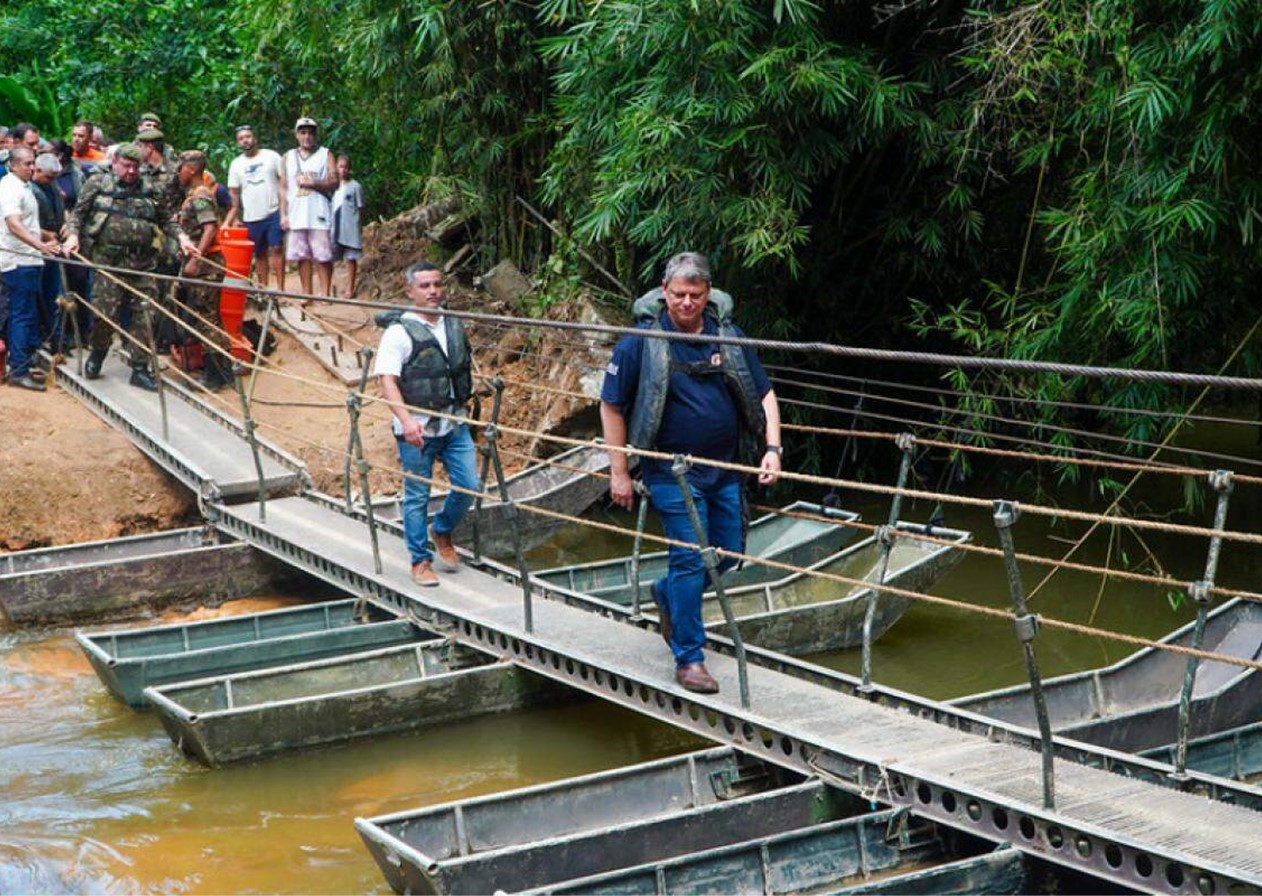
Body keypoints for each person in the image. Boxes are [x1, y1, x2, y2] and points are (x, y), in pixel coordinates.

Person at [600, 252, 782, 694]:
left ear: (708, 294)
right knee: (689, 557)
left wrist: (773, 448)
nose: (686, 303)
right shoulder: (638, 342)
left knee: (727, 556)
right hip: (671, 471)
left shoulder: (728, 336)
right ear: (664, 292)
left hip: (726, 469)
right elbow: (611, 404)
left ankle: (666, 594)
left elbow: (765, 394)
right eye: (678, 294)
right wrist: (619, 471)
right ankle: (689, 657)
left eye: (695, 295)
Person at [373, 261, 478, 587]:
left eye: (436, 284)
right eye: (424, 286)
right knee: (417, 494)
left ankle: (442, 529)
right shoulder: (398, 333)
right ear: (410, 292)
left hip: (454, 422)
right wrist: (405, 421)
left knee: (469, 485)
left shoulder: (452, 324)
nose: (433, 291)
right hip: (416, 427)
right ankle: (420, 561)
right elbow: (386, 381)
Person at [63, 143, 183, 390]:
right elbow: (78, 215)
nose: (130, 172)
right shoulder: (97, 183)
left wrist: (182, 238)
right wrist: (73, 235)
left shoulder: (151, 188)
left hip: (143, 264)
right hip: (109, 264)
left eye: (135, 167)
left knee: (147, 315)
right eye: (126, 166)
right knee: (104, 315)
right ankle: (98, 352)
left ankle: (139, 367)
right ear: (115, 162)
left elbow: (167, 220)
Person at [172, 150, 233, 391]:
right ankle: (223, 371)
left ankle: (214, 375)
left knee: (206, 319)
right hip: (202, 264)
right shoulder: (192, 195)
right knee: (207, 317)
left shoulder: (201, 196)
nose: (179, 173)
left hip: (206, 267)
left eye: (181, 168)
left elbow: (210, 229)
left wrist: (196, 258)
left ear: (192, 169)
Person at [1, 146, 60, 390]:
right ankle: (19, 370)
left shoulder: (23, 187)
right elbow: (13, 224)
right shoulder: (10, 188)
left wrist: (45, 236)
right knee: (21, 316)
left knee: (26, 314)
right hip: (18, 262)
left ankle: (21, 364)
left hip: (29, 259)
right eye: (27, 163)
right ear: (14, 165)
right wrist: (40, 245)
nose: (32, 167)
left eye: (33, 162)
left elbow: (25, 222)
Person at [279, 117, 337, 298]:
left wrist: (313, 182)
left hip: (318, 210)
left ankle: (325, 293)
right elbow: (283, 187)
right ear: (296, 135)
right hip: (296, 212)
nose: (307, 136)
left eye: (310, 133)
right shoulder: (288, 157)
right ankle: (307, 293)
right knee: (301, 254)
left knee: (323, 254)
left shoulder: (325, 154)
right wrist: (283, 214)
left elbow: (334, 180)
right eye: (303, 132)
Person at [224, 125, 284, 290]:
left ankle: (281, 289)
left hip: (274, 210)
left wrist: (286, 208)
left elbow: (284, 182)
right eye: (241, 138)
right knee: (259, 253)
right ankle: (263, 289)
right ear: (238, 143)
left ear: (255, 138)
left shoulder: (271, 156)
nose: (245, 140)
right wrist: (235, 217)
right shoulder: (236, 164)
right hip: (251, 215)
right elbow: (234, 193)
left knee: (277, 248)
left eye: (248, 136)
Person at [30, 152, 66, 352]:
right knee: (37, 295)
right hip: (36, 249)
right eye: (49, 177)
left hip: (54, 249)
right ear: (38, 170)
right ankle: (39, 338)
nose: (52, 181)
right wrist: (45, 235)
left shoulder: (52, 186)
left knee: (54, 295)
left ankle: (55, 338)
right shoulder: (27, 189)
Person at [331, 154, 363, 298]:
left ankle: (350, 288)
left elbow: (360, 208)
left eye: (345, 167)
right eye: (340, 167)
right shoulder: (332, 186)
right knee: (331, 258)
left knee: (350, 258)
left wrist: (357, 227)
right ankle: (331, 287)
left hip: (350, 228)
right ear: (336, 168)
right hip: (334, 227)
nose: (343, 170)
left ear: (349, 169)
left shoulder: (355, 186)